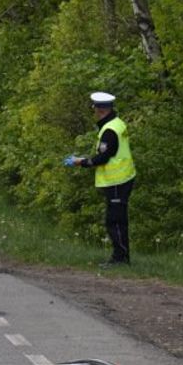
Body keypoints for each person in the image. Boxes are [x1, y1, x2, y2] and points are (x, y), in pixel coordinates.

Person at [63, 91, 136, 266]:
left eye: (95, 108)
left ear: (101, 109)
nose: (94, 111)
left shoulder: (109, 130)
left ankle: (120, 259)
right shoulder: (116, 123)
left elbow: (104, 157)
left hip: (117, 180)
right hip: (123, 177)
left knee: (115, 221)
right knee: (117, 220)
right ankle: (121, 257)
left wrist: (82, 162)